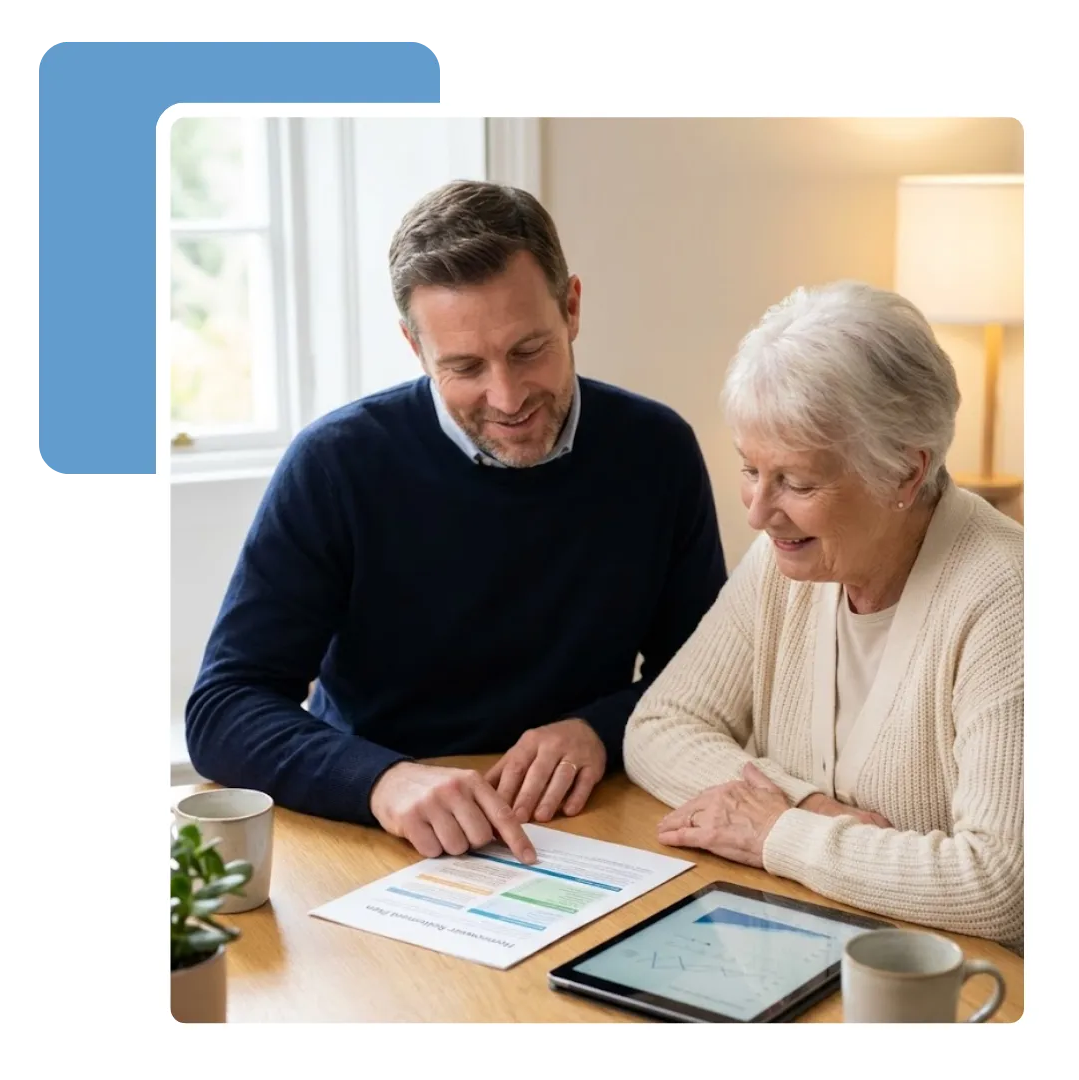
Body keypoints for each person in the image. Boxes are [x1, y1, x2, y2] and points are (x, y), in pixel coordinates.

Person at [186, 179, 727, 866]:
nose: (507, 396)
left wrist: (601, 728)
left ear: (572, 308)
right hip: (379, 834)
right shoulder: (335, 464)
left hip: (588, 822)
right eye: (465, 367)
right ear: (415, 347)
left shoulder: (658, 451)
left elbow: (709, 679)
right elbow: (224, 707)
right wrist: (381, 780)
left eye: (528, 350)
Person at [623, 280, 1024, 952]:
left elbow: (1001, 886)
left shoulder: (1007, 598)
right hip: (805, 942)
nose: (759, 513)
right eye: (750, 469)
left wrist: (779, 833)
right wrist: (804, 804)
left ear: (905, 473)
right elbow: (659, 727)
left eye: (798, 482)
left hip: (954, 985)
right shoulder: (785, 562)